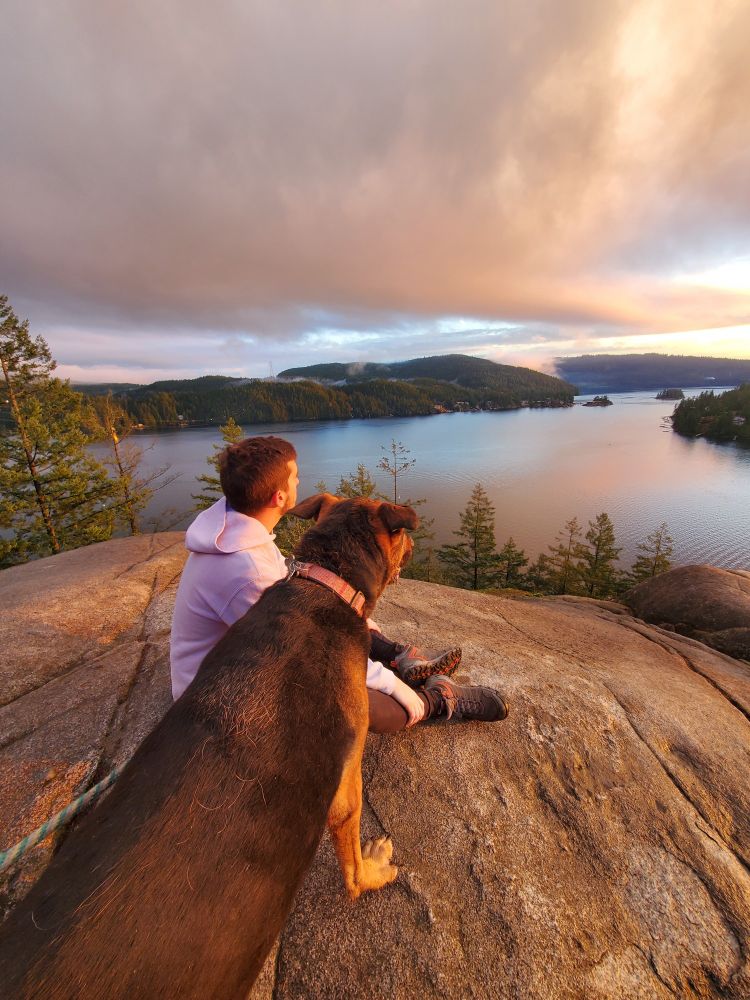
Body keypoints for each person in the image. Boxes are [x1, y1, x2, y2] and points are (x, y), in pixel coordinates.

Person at [170, 435, 508, 732]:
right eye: (295, 476)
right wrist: (391, 686)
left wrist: (366, 629)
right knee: (357, 701)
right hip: (224, 696)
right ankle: (437, 700)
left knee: (343, 616)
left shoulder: (238, 527)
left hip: (246, 655)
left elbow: (310, 608)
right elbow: (314, 656)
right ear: (279, 498)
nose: (299, 481)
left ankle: (403, 659)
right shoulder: (245, 573)